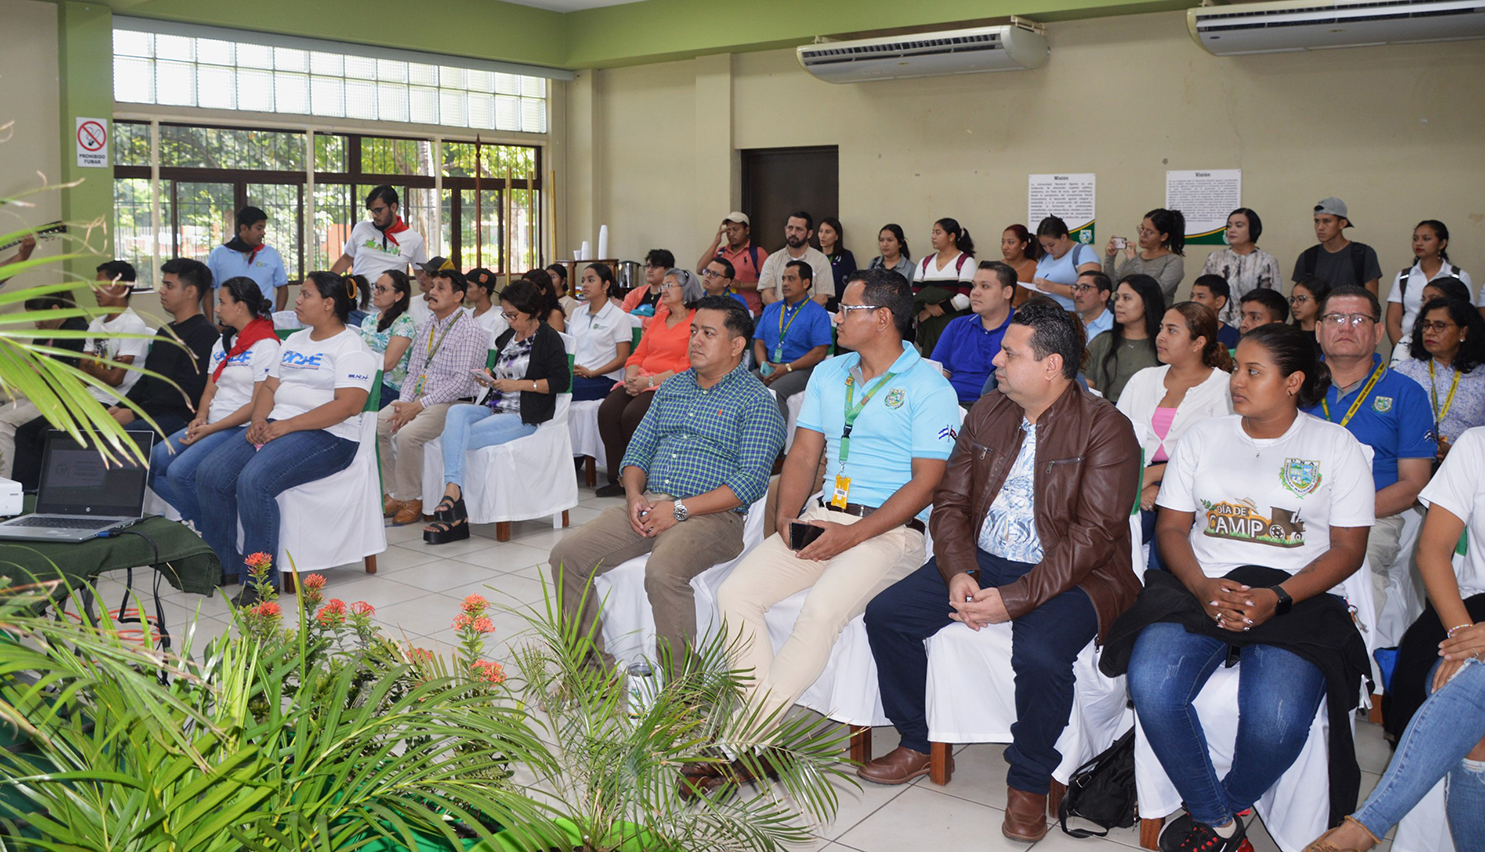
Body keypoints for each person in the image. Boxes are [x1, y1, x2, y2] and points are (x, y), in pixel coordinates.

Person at [856, 299, 1141, 843]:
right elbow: (950, 503)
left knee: (1038, 653)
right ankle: (917, 741)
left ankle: (1029, 782)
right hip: (985, 556)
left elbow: (1094, 537)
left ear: (1052, 365)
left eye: (1010, 354)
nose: (996, 362)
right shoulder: (989, 412)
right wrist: (959, 569)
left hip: (1076, 572)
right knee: (887, 616)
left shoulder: (1106, 428)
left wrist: (1015, 599)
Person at [1101, 323, 1375, 852]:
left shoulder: (1334, 445)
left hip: (1295, 593)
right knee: (1153, 686)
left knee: (1275, 721)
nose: (1237, 382)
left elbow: (1347, 550)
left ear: (1293, 380)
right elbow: (1173, 529)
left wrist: (1279, 597)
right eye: (1237, 369)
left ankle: (1215, 809)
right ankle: (1220, 822)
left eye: (1254, 371)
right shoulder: (1204, 437)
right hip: (1200, 583)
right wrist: (1203, 587)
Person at [689, 268, 961, 794]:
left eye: (847, 310)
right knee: (736, 594)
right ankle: (758, 742)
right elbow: (804, 454)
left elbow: (927, 483)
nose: (835, 317)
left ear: (881, 318)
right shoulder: (830, 373)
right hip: (822, 516)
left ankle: (737, 744)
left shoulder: (929, 386)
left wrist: (852, 536)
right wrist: (786, 520)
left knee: (818, 614)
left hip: (890, 531)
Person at [550, 295, 784, 675]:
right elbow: (636, 454)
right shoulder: (672, 389)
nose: (695, 340)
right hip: (650, 503)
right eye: (694, 331)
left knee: (662, 572)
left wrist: (678, 510)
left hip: (712, 517)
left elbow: (750, 483)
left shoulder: (757, 401)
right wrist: (633, 495)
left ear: (737, 345)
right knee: (567, 556)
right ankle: (591, 674)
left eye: (708, 333)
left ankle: (681, 694)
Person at [1306, 426, 1485, 852]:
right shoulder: (1477, 444)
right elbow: (1432, 550)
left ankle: (1367, 825)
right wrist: (1463, 633)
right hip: (1470, 613)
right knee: (1471, 689)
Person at [195, 272, 375, 603]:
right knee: (211, 473)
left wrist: (288, 425)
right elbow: (270, 387)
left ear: (329, 303)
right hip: (278, 426)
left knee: (254, 480)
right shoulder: (293, 341)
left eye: (305, 294)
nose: (297, 300)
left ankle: (259, 581)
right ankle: (224, 564)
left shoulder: (352, 347)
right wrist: (261, 419)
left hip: (330, 437)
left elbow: (349, 406)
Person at [1302, 285, 1434, 599]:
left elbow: (1414, 484)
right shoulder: (1293, 383)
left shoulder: (1406, 393)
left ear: (1377, 332)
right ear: (1319, 330)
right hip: (1293, 508)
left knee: (1353, 574)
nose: (1346, 327)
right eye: (1335, 318)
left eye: (1358, 320)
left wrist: (1346, 513)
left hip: (1372, 516)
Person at [422, 279, 572, 545]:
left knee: (451, 438)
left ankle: (453, 499)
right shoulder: (506, 337)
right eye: (506, 314)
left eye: (514, 315)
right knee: (456, 415)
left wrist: (519, 385)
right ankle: (454, 493)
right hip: (493, 407)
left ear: (534, 310)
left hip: (522, 416)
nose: (510, 320)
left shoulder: (549, 339)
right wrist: (489, 377)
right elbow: (501, 372)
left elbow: (560, 382)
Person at [148, 276, 278, 525]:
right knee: (153, 463)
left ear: (240, 306)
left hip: (237, 427)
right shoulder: (223, 342)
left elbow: (258, 404)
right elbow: (209, 390)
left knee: (178, 473)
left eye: (221, 302)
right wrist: (200, 418)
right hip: (211, 422)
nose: (216, 309)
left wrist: (211, 429)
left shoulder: (266, 346)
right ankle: (204, 521)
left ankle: (210, 527)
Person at [1116, 302, 1234, 571]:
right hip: (1134, 476)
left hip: (1191, 485)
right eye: (1160, 329)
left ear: (1198, 342)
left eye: (1172, 330)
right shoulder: (1143, 379)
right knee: (1114, 536)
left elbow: (1218, 457)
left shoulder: (1223, 386)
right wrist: (1141, 484)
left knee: (1163, 545)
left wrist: (1155, 480)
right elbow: (1117, 438)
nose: (1160, 337)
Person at [13, 261, 151, 489]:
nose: (94, 290)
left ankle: (51, 494)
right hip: (87, 397)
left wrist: (93, 367)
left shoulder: (132, 324)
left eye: (101, 284)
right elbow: (86, 368)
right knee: (26, 432)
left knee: (48, 434)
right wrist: (99, 368)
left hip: (110, 402)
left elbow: (114, 379)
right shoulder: (97, 324)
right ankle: (25, 495)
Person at [379, 267, 487, 527]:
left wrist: (417, 406)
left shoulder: (470, 330)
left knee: (407, 435)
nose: (431, 292)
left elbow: (462, 382)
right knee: (375, 426)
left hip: (452, 403)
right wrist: (404, 403)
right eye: (432, 286)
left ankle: (412, 498)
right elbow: (414, 370)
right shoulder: (428, 324)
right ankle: (394, 492)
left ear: (458, 295)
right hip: (419, 398)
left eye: (440, 288)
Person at [595, 268, 703, 497]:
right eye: (663, 285)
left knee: (633, 415)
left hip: (671, 382)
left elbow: (686, 365)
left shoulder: (696, 321)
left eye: (669, 285)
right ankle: (619, 477)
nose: (663, 290)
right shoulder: (659, 318)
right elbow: (638, 354)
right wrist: (632, 376)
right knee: (608, 410)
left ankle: (642, 477)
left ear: (685, 290)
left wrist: (649, 381)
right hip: (643, 378)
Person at [111, 258, 221, 436]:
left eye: (169, 286)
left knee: (119, 438)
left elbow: (187, 392)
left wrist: (134, 413)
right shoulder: (165, 330)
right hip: (150, 411)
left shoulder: (205, 334)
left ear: (190, 292)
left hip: (178, 417)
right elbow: (146, 379)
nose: (161, 291)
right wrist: (121, 407)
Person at [0, 292, 86, 478]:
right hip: (41, 394)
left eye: (37, 317)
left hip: (61, 398)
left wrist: (42, 372)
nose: (36, 323)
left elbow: (78, 374)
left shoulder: (78, 332)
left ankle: (6, 484)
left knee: (4, 423)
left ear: (55, 310)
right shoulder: (42, 336)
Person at [1394, 297, 1485, 459]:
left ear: (1463, 332)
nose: (1429, 332)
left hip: (1470, 463)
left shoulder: (1481, 376)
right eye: (1426, 325)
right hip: (1411, 461)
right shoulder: (1404, 372)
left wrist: (1456, 451)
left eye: (1439, 326)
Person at [753, 260, 833, 424]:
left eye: (791, 279)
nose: (785, 283)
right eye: (783, 279)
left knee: (774, 391)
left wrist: (787, 368)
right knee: (743, 383)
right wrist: (763, 366)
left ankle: (777, 446)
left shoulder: (817, 313)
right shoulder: (771, 309)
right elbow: (759, 342)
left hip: (802, 369)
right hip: (770, 365)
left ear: (806, 283)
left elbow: (820, 351)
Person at [931, 261, 1017, 407]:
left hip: (1000, 407)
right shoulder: (957, 326)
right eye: (974, 285)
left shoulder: (1020, 329)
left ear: (1007, 292)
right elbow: (937, 375)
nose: (975, 292)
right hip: (952, 404)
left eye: (985, 286)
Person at [330, 185, 428, 299]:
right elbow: (347, 258)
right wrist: (326, 284)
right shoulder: (361, 228)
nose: (375, 215)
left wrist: (429, 297)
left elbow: (420, 274)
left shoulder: (414, 239)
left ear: (393, 207)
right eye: (372, 211)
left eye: (379, 210)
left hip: (391, 311)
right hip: (356, 307)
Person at [1386, 220, 1473, 347]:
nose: (1419, 243)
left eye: (1426, 239)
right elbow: (1392, 320)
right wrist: (1401, 348)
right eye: (1415, 239)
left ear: (1442, 243)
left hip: (1446, 347)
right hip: (1408, 344)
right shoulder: (1404, 276)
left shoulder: (1458, 276)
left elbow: (1467, 316)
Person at [1086, 274, 1164, 404]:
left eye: (1126, 298)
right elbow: (1086, 386)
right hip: (1104, 414)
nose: (1118, 304)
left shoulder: (1162, 344)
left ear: (1146, 303)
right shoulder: (1102, 341)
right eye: (1117, 298)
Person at [1200, 208, 1281, 326]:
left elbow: (1271, 302)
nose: (1232, 230)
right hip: (1216, 325)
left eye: (1239, 226)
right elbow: (1203, 293)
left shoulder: (1266, 261)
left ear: (1253, 229)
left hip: (1251, 327)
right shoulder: (1215, 258)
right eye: (1229, 226)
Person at [206, 205, 289, 321]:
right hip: (230, 323)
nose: (263, 233)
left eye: (263, 228)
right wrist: (211, 323)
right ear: (244, 228)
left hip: (263, 321)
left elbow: (283, 287)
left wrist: (276, 317)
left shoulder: (271, 254)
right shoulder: (219, 254)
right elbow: (207, 290)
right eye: (259, 228)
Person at [911, 217, 977, 357]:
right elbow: (915, 294)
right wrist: (928, 308)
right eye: (933, 232)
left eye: (938, 232)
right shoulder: (925, 262)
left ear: (952, 236)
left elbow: (965, 298)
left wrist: (936, 309)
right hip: (929, 327)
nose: (933, 237)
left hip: (954, 323)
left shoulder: (965, 262)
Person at [568, 263, 633, 402]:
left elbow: (622, 358)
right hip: (575, 375)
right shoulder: (577, 313)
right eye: (583, 280)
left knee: (558, 388)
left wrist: (592, 373)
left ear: (605, 285)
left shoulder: (619, 317)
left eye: (591, 280)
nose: (585, 285)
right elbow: (570, 348)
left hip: (604, 378)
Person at [1293, 197, 1382, 295]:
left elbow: (1371, 301)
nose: (1320, 227)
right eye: (1317, 221)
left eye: (1327, 221)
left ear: (1342, 224)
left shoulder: (1363, 254)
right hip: (1320, 310)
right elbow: (1300, 299)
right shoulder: (1308, 257)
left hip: (1354, 309)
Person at [358, 270, 415, 409]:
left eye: (382, 289)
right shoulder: (368, 320)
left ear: (399, 295)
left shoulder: (404, 322)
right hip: (365, 380)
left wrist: (358, 368)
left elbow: (388, 364)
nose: (376, 292)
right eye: (375, 287)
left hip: (388, 387)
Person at [1104, 208, 1186, 305]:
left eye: (1149, 232)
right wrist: (1110, 258)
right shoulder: (1135, 256)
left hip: (1154, 318)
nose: (1142, 235)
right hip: (1123, 315)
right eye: (1142, 228)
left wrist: (1134, 262)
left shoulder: (1173, 261)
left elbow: (1154, 290)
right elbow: (1112, 286)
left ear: (1163, 236)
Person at [758, 212, 832, 308]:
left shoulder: (821, 260)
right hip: (779, 318)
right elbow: (766, 295)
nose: (793, 233)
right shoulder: (772, 259)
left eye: (799, 229)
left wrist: (798, 315)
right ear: (785, 229)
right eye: (790, 228)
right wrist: (785, 314)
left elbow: (822, 297)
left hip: (809, 319)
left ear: (809, 234)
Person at [697, 212, 765, 315]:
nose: (731, 234)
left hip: (751, 312)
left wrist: (742, 285)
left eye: (735, 229)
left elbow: (769, 284)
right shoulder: (721, 252)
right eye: (728, 231)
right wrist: (716, 242)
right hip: (720, 310)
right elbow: (700, 269)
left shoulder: (757, 253)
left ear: (747, 230)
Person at [1032, 216, 1101, 310]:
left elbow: (1090, 292)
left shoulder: (1084, 253)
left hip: (1072, 315)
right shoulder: (1045, 257)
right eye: (1044, 246)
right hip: (1044, 314)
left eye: (1051, 245)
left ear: (1063, 237)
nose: (1048, 250)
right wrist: (1035, 291)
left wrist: (1053, 287)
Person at [1190, 274, 1241, 349]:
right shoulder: (1184, 329)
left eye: (1201, 297)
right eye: (1192, 296)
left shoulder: (1232, 336)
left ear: (1219, 302)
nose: (1193, 301)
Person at [621, 249, 674, 316]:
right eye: (647, 266)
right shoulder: (635, 293)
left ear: (668, 270)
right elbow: (622, 317)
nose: (649, 270)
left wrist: (633, 316)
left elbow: (659, 321)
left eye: (654, 266)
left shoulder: (671, 296)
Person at [817, 217, 857, 304]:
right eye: (820, 231)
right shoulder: (814, 255)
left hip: (838, 305)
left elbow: (852, 282)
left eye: (828, 232)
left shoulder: (846, 256)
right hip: (816, 303)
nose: (822, 236)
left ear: (836, 236)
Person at [466, 267, 510, 343]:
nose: (465, 290)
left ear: (483, 290)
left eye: (469, 286)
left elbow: (495, 350)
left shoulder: (498, 320)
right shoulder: (466, 315)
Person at [1291, 276, 1332, 354]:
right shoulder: (1289, 335)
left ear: (1320, 302)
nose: (1294, 305)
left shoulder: (1329, 336)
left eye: (1301, 299)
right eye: (1293, 300)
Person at [1000, 224, 1040, 305]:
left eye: (1010, 242)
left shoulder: (1035, 268)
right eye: (1003, 242)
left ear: (1023, 245)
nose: (1005, 247)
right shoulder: (997, 266)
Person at [1072, 269, 1115, 342]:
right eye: (1076, 288)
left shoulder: (1114, 327)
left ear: (1103, 295)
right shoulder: (1071, 322)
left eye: (1084, 288)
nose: (1077, 294)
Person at [523, 267, 567, 333]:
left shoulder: (554, 314)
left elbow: (555, 341)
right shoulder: (524, 310)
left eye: (529, 288)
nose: (524, 292)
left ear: (543, 291)